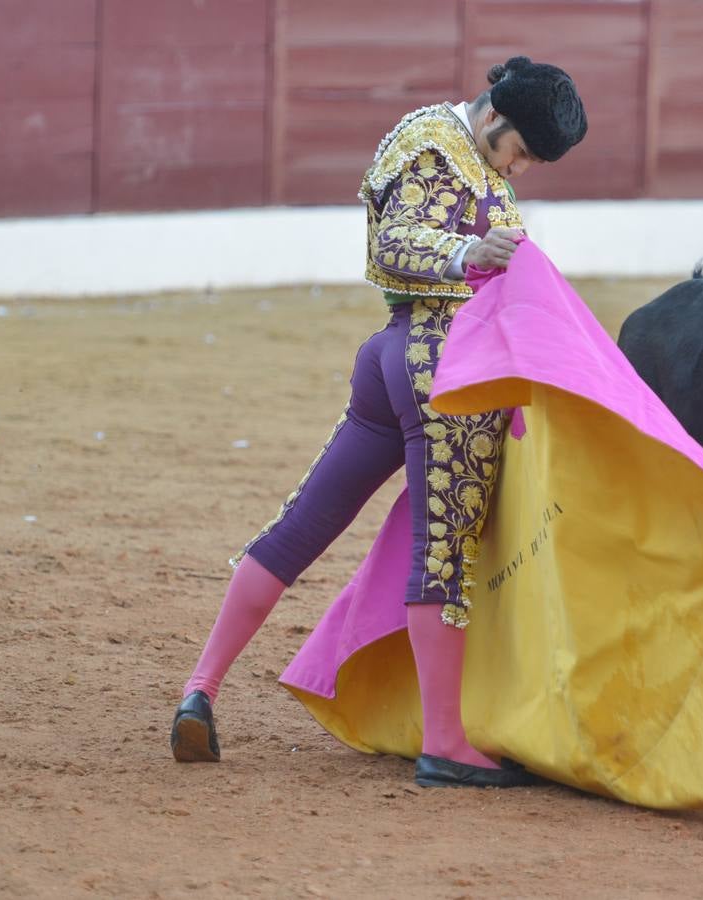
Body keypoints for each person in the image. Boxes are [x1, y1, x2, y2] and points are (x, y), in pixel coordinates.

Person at [170, 56, 587, 788]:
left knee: (305, 523)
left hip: (397, 358)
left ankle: (200, 687)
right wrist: (465, 251)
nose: (521, 168)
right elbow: (392, 244)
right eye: (521, 150)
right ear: (493, 115)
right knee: (443, 552)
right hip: (441, 371)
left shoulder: (467, 162)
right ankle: (446, 742)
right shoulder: (430, 141)